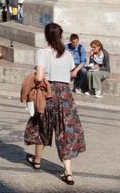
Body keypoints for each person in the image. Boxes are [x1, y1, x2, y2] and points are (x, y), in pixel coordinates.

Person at [24, 23, 85, 185]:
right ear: (60, 36)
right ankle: (68, 173)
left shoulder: (42, 52)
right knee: (64, 130)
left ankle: (37, 161)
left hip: (48, 92)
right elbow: (71, 73)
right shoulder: (67, 53)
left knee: (41, 125)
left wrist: (37, 73)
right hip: (65, 94)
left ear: (46, 36)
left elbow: (38, 78)